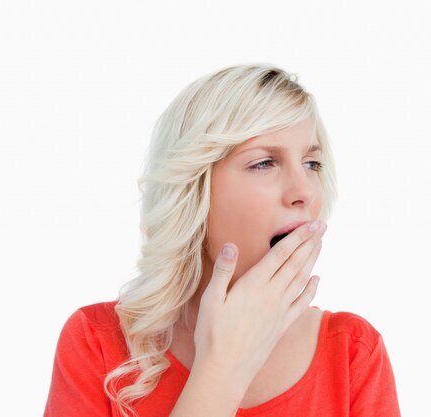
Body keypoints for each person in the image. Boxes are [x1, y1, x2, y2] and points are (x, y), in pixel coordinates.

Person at [43, 63, 401, 417]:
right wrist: (223, 367)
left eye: (312, 164)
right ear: (195, 190)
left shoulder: (353, 352)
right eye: (264, 163)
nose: (304, 191)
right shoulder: (97, 342)